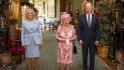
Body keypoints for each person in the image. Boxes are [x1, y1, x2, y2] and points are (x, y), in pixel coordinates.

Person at [77, 2, 100, 70]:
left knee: (92, 56)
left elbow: (97, 29)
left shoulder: (95, 17)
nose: (88, 9)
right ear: (85, 8)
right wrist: (79, 39)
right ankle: (84, 68)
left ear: (91, 8)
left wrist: (97, 39)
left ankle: (91, 68)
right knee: (84, 56)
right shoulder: (81, 17)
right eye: (86, 8)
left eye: (89, 8)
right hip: (84, 40)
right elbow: (79, 29)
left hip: (93, 40)